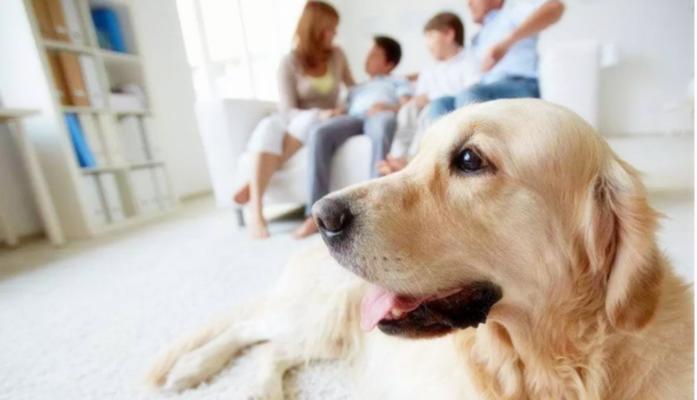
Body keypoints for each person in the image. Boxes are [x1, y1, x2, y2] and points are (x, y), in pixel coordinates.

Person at [232, 1, 354, 239]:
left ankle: (254, 183)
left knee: (311, 122)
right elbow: (287, 110)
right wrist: (320, 113)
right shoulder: (290, 62)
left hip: (317, 122)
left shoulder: (337, 56)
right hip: (293, 118)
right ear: (314, 29)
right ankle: (256, 214)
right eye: (330, 28)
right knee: (267, 128)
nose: (335, 33)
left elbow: (353, 87)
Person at [294, 36, 412, 238]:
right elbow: (345, 108)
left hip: (380, 114)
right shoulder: (357, 89)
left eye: (374, 54)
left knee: (385, 124)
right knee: (319, 132)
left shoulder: (398, 81)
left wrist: (387, 107)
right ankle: (313, 215)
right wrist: (336, 112)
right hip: (353, 117)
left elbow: (407, 103)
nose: (367, 57)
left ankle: (375, 208)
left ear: (389, 63)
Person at [377, 12, 479, 176]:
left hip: (446, 108)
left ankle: (413, 159)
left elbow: (470, 91)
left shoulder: (469, 60)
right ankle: (397, 157)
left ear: (449, 34)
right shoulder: (429, 67)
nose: (427, 43)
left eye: (431, 36)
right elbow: (420, 94)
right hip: (425, 105)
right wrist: (416, 100)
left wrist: (429, 97)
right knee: (408, 110)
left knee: (427, 112)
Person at [428, 0, 565, 119]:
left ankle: (481, 148)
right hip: (486, 89)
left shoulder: (511, 12)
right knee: (439, 105)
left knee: (470, 95)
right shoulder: (480, 36)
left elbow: (555, 7)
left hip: (520, 85)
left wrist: (506, 43)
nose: (469, 3)